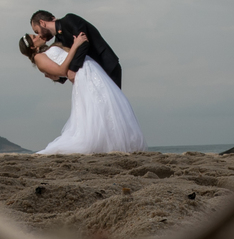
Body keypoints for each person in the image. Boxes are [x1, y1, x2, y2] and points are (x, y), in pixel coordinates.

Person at [17, 30, 146, 154]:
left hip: (90, 69)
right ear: (32, 47)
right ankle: (103, 142)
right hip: (82, 75)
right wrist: (76, 45)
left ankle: (114, 140)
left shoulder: (48, 49)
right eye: (34, 37)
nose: (38, 36)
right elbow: (62, 70)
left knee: (105, 104)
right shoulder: (39, 57)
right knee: (96, 108)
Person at [30, 10, 122, 88]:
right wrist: (59, 78)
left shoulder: (69, 19)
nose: (40, 35)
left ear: (42, 23)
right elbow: (69, 61)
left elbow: (84, 42)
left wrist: (73, 69)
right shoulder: (58, 40)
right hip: (93, 75)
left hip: (106, 66)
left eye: (37, 31)